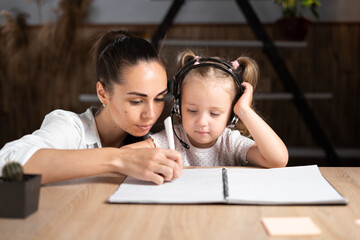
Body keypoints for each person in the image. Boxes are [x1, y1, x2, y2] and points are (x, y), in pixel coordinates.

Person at [0, 30, 182, 185]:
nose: (150, 114)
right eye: (136, 101)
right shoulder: (71, 128)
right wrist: (119, 159)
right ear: (103, 93)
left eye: (159, 98)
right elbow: (7, 162)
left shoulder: (156, 140)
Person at [125, 50, 288, 168]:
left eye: (214, 113)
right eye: (192, 111)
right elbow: (121, 155)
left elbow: (278, 159)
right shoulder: (170, 139)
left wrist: (244, 110)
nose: (202, 122)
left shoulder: (230, 143)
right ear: (178, 106)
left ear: (231, 114)